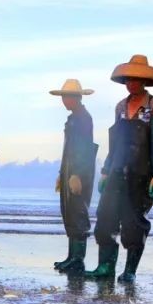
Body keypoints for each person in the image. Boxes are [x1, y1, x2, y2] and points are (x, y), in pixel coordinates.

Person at [85, 55, 153, 283]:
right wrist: (105, 170)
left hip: (141, 174)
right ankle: (105, 267)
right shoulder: (120, 107)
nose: (131, 83)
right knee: (105, 217)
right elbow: (115, 144)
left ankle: (130, 270)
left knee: (134, 223)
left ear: (143, 81)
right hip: (116, 172)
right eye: (128, 79)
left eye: (135, 79)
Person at [49, 79, 98, 274]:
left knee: (78, 212)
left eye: (66, 97)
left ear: (76, 97)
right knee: (69, 212)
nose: (64, 101)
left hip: (79, 171)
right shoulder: (72, 118)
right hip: (69, 169)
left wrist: (77, 173)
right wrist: (63, 173)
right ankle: (72, 257)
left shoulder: (84, 118)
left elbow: (85, 149)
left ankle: (78, 259)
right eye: (62, 97)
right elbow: (68, 150)